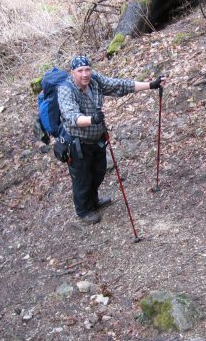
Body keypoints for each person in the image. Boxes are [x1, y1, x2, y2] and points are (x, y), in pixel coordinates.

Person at [58, 55, 166, 225]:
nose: (85, 74)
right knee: (82, 178)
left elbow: (119, 85)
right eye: (80, 71)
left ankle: (93, 201)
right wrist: (92, 119)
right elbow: (72, 117)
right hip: (77, 142)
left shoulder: (94, 80)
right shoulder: (65, 89)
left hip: (97, 139)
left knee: (98, 172)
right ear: (72, 72)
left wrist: (151, 85)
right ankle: (84, 212)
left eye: (87, 69)